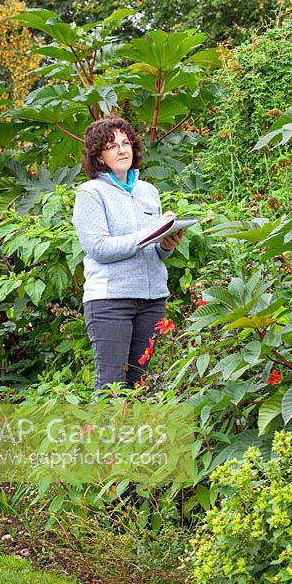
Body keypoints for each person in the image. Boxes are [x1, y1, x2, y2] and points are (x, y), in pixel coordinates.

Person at [72, 114, 182, 393]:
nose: (122, 150)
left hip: (152, 299)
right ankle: (103, 437)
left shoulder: (148, 191)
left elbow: (152, 248)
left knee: (139, 385)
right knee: (111, 386)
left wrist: (165, 245)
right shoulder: (90, 193)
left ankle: (134, 437)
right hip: (110, 302)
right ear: (98, 157)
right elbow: (99, 248)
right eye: (111, 146)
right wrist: (149, 233)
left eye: (126, 143)